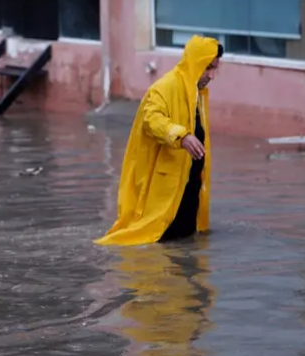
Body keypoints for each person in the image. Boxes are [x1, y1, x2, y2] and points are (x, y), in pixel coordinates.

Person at [95, 35, 223, 246]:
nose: (212, 75)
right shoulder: (164, 88)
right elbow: (152, 120)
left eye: (214, 69)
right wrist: (180, 136)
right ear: (196, 62)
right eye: (208, 68)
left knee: (185, 251)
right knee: (155, 244)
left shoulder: (197, 94)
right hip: (165, 192)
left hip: (189, 190)